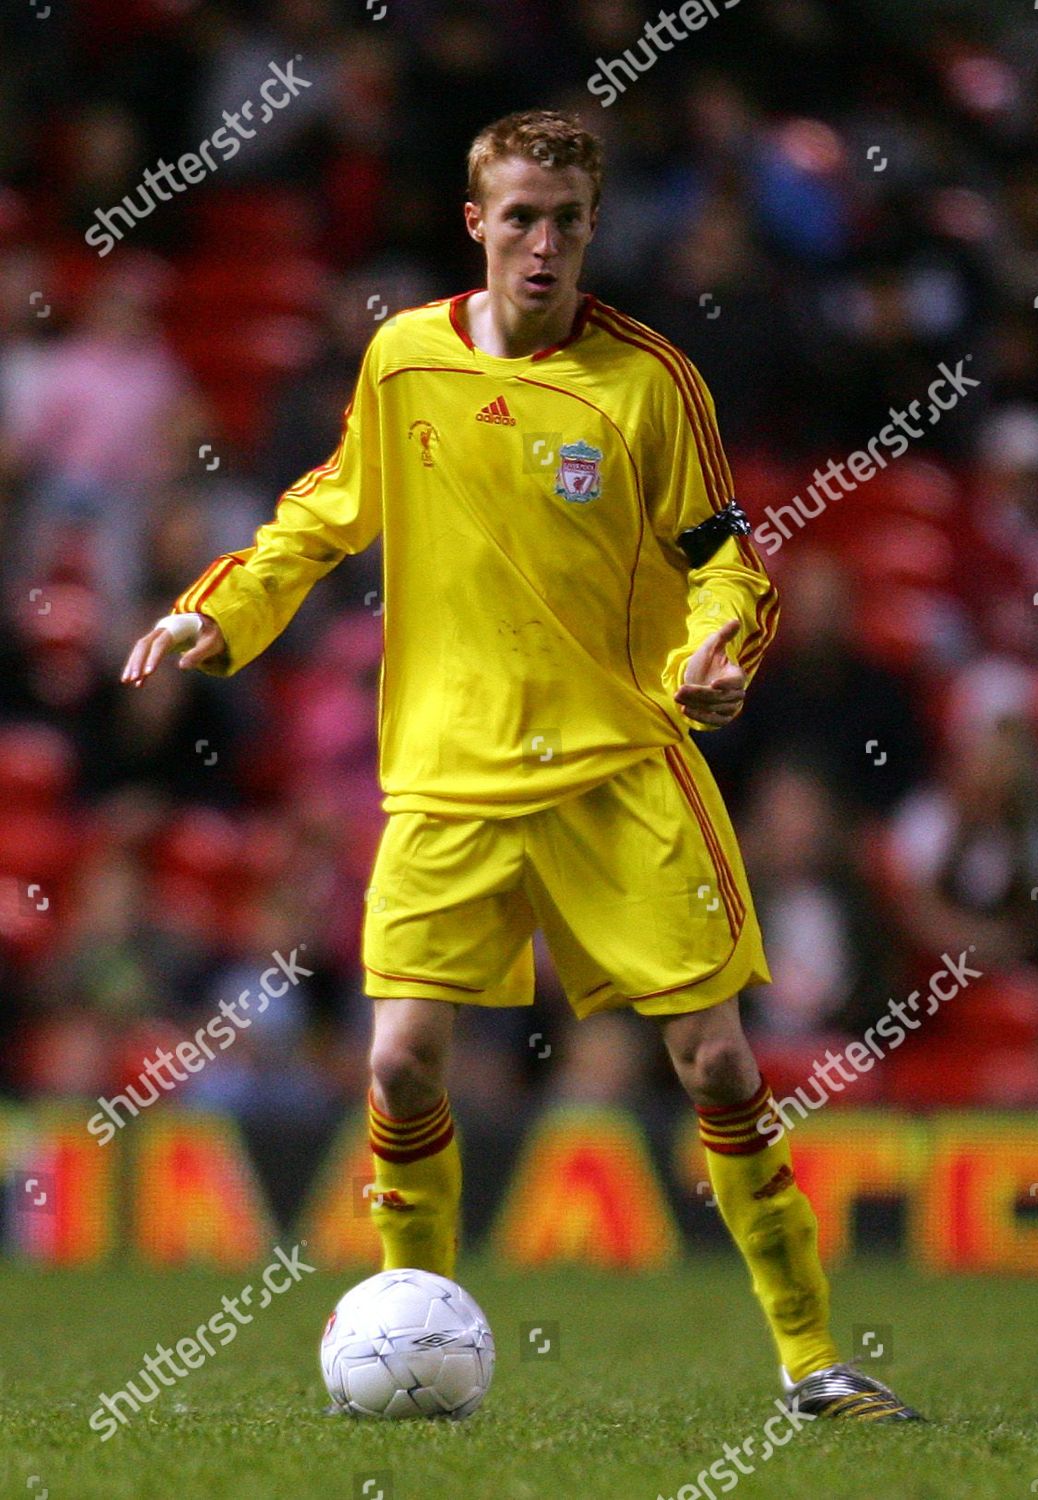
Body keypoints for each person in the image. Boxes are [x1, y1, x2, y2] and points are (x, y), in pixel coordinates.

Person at [122, 109, 921, 1422]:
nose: (543, 241)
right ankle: (412, 1332)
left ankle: (811, 1361)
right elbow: (326, 512)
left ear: (592, 229)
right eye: (522, 215)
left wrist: (717, 650)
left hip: (620, 766)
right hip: (448, 775)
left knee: (719, 1066)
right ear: (476, 223)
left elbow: (724, 559)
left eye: (567, 218)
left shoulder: (649, 384)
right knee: (397, 1069)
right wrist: (216, 612)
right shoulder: (401, 362)